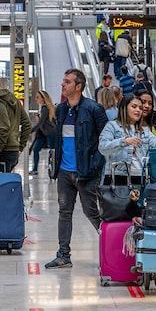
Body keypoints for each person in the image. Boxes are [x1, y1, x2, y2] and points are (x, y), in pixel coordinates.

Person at [45, 69, 108, 270]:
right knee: (64, 211)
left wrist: (94, 165)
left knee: (92, 212)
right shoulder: (61, 110)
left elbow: (105, 140)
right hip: (65, 171)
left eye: (67, 82)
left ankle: (111, 247)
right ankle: (63, 254)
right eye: (63, 81)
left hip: (86, 172)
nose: (62, 85)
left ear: (78, 86)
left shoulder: (94, 109)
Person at [99, 93, 156, 179]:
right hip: (117, 177)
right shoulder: (112, 126)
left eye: (140, 108)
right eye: (134, 107)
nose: (138, 110)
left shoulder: (145, 130)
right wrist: (124, 141)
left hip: (141, 178)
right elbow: (103, 148)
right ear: (124, 108)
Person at [30, 90, 57, 174]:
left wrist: (30, 131)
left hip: (49, 133)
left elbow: (41, 122)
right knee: (36, 149)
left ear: (43, 98)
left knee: (53, 151)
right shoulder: (43, 108)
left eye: (37, 97)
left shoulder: (45, 108)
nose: (35, 99)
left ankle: (54, 168)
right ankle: (35, 169)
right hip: (43, 133)